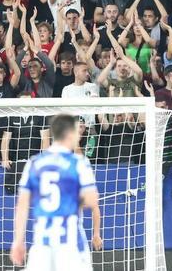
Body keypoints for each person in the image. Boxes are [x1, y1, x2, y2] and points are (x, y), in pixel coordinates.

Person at [9, 114, 102, 271]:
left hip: (42, 244)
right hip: (71, 244)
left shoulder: (34, 162)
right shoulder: (78, 162)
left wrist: (18, 241)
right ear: (70, 134)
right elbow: (91, 200)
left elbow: (22, 206)